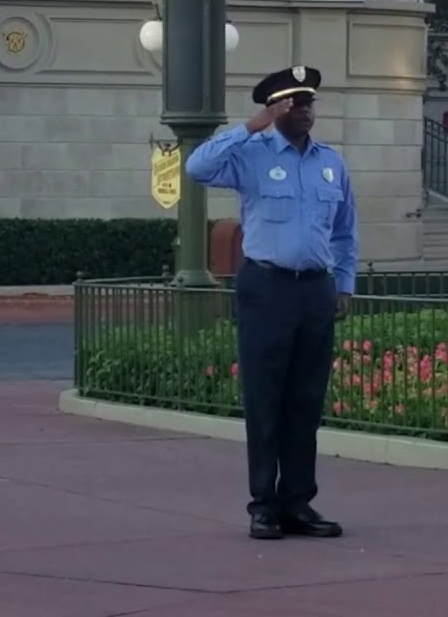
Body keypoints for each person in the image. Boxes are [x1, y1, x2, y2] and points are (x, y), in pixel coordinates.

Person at [185, 65, 358, 540]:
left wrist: (344, 285)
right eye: (294, 104)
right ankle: (263, 505)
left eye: (308, 103)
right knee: (265, 401)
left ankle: (297, 502)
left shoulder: (330, 163)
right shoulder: (251, 155)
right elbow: (196, 168)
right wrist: (249, 127)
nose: (304, 111)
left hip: (315, 290)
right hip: (266, 288)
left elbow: (345, 231)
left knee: (306, 401)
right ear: (274, 109)